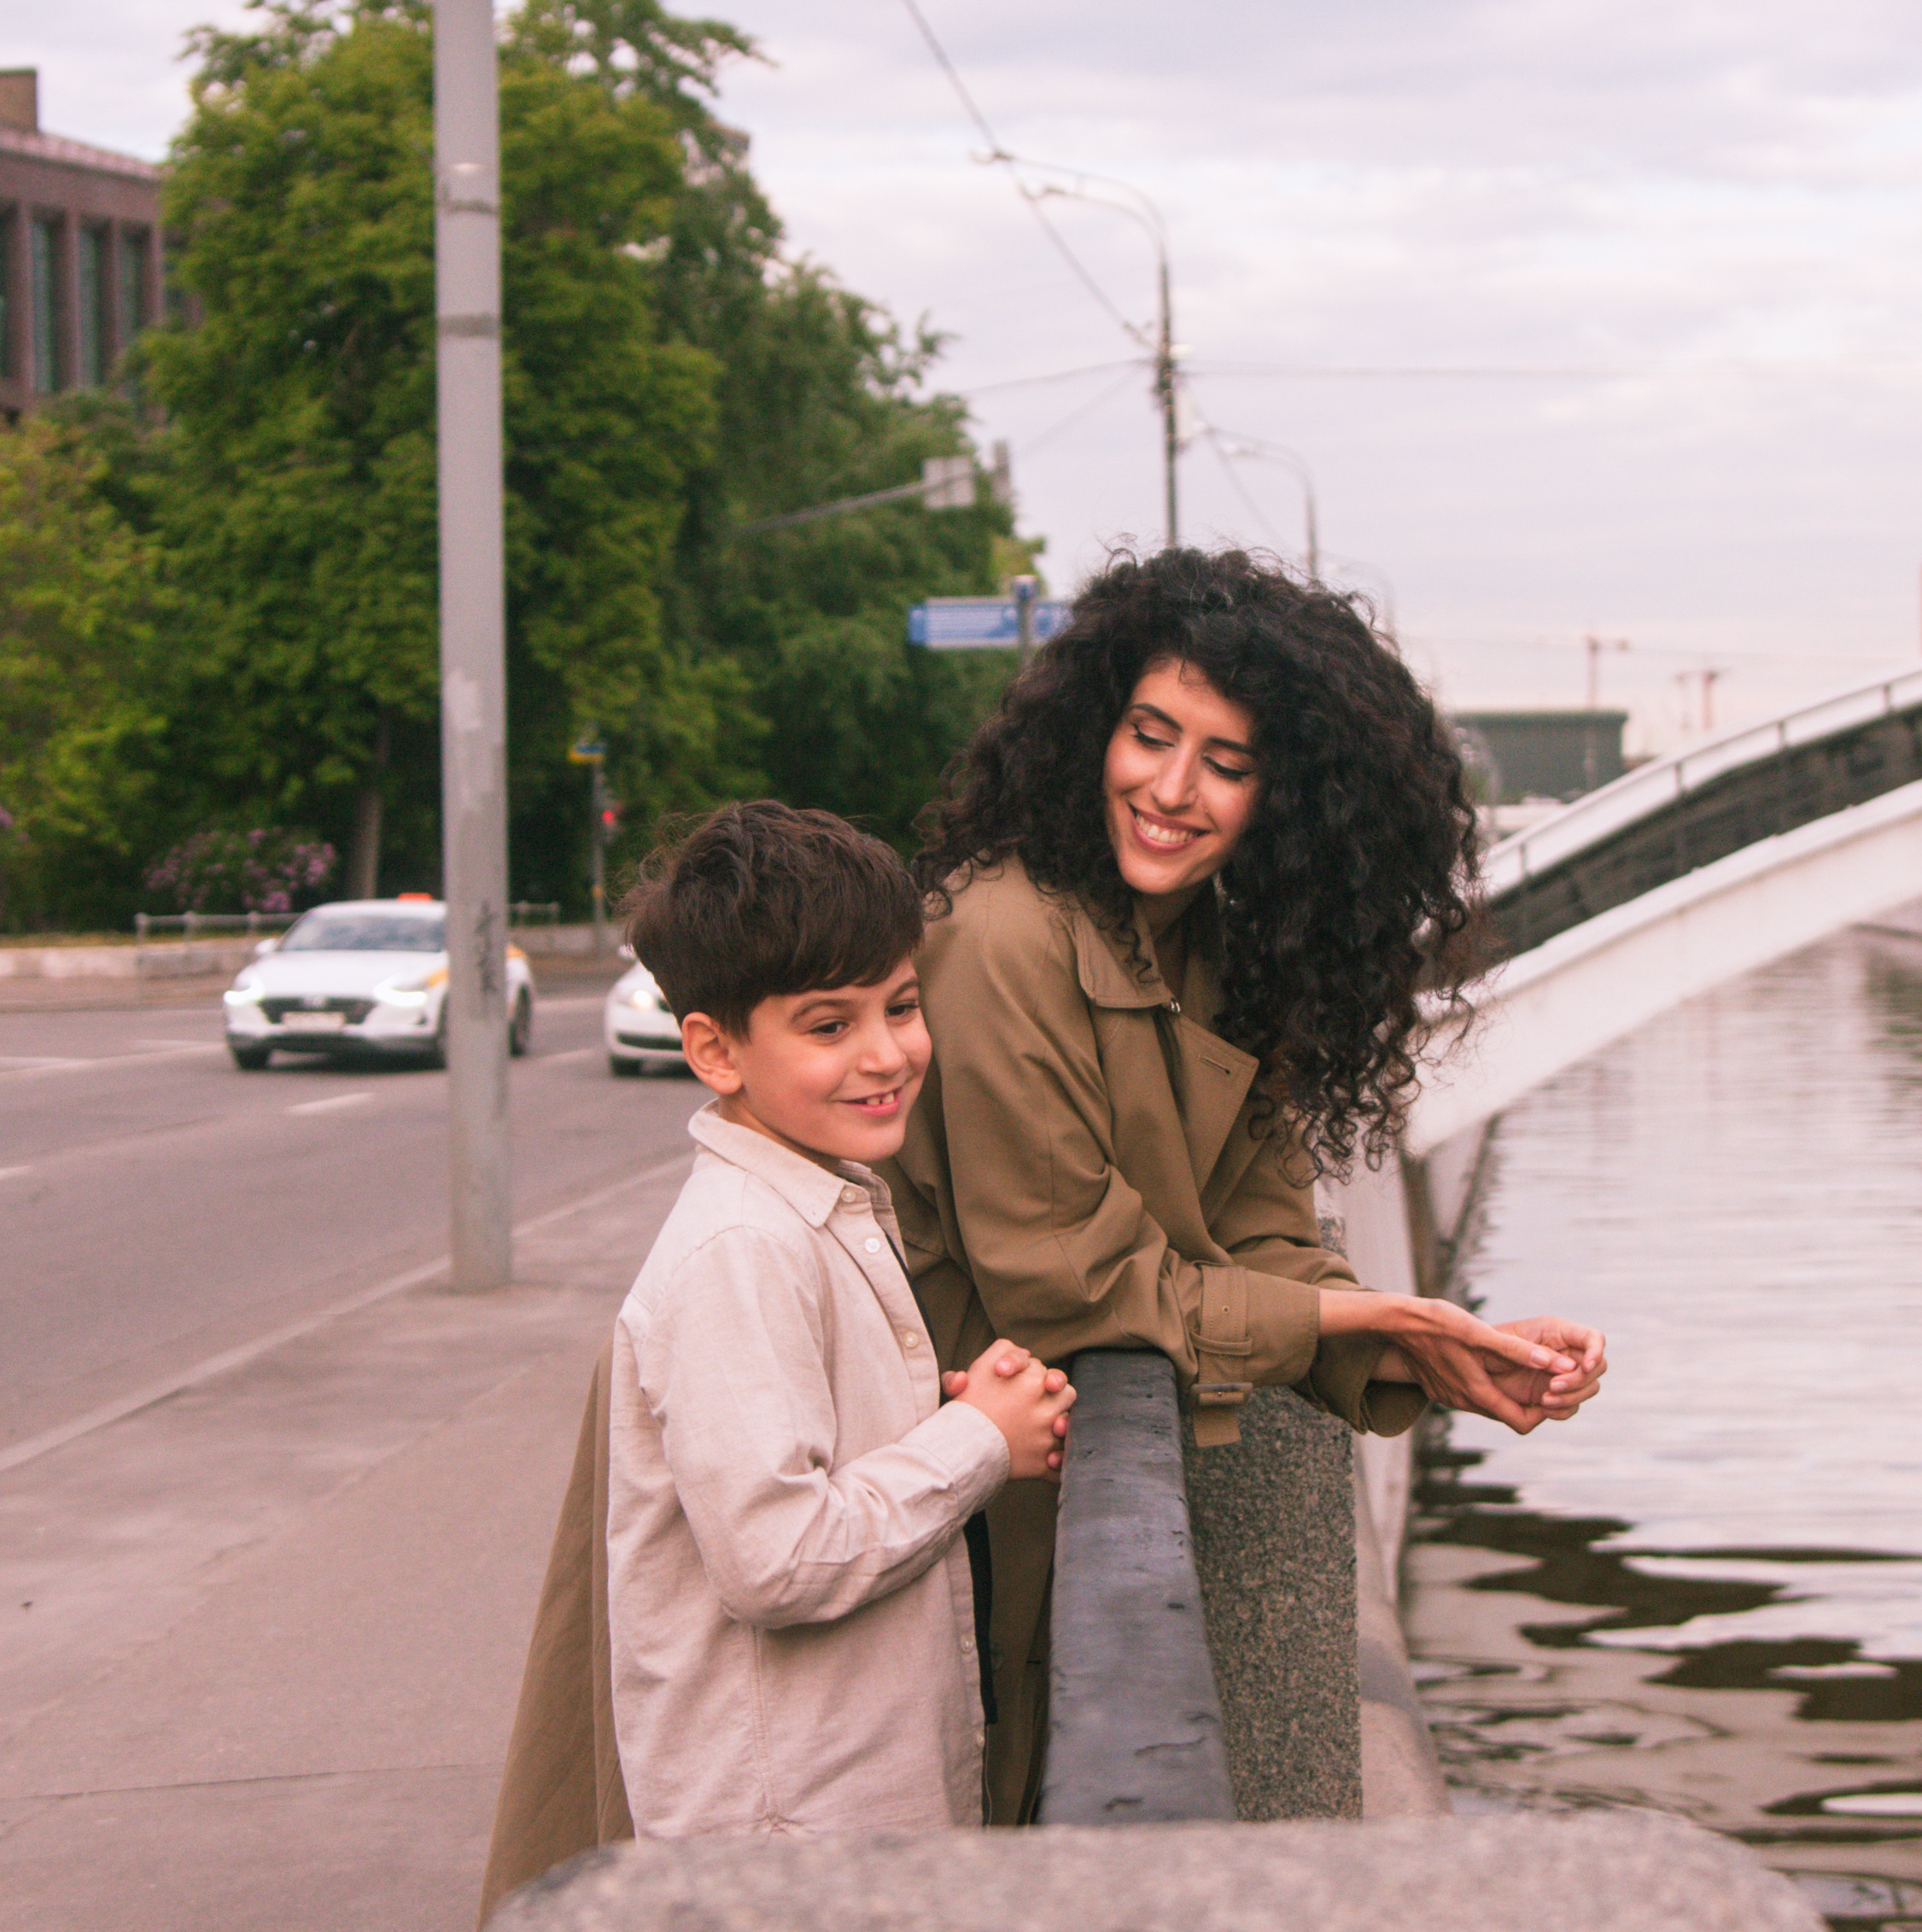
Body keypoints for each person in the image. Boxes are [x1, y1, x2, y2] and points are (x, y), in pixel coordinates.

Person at [886, 545, 1607, 1824]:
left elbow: (1263, 1242)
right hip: (914, 1499)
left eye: (1225, 763)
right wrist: (1381, 1319)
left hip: (1022, 1501)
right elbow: (1073, 1282)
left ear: (1287, 798)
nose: (1171, 791)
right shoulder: (999, 932)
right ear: (1090, 731)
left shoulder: (1223, 953)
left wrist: (1434, 1351)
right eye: (1149, 736)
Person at [605, 800, 1074, 1839]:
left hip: (850, 1806)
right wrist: (976, 1443)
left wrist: (953, 1411)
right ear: (715, 1051)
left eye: (901, 1007)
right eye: (830, 1025)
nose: (887, 1053)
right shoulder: (741, 1249)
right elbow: (774, 1555)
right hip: (788, 1839)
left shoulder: (826, 1197)